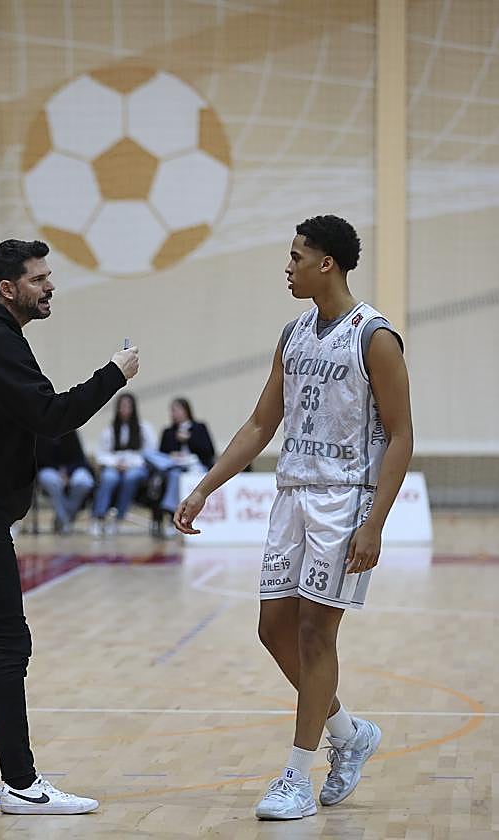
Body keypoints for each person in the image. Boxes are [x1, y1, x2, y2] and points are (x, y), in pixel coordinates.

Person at [175, 215, 412, 821]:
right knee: (272, 628)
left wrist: (375, 521)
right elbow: (261, 424)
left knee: (315, 633)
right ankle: (349, 732)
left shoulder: (375, 337)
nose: (288, 267)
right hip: (291, 497)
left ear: (326, 263)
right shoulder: (293, 334)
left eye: (296, 257)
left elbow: (403, 434)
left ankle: (296, 778)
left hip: (344, 498)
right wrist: (205, 488)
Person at [0, 239, 138, 815]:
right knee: (9, 640)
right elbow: (51, 417)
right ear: (9, 289)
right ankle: (22, 784)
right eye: (39, 279)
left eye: (48, 276)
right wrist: (113, 375)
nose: (49, 286)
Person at [144, 397, 217, 536]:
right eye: (172, 411)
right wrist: (174, 452)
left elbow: (209, 451)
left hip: (194, 464)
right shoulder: (168, 431)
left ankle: (172, 513)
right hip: (173, 465)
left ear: (186, 410)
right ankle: (167, 513)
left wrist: (189, 440)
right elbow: (162, 453)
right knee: (165, 471)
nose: (174, 414)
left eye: (176, 410)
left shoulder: (199, 427)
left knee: (178, 476)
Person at [88, 392, 155, 537]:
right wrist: (115, 463)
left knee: (131, 477)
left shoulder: (144, 428)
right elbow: (101, 455)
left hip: (136, 468)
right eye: (121, 406)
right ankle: (98, 517)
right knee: (109, 478)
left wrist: (130, 464)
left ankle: (117, 518)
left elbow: (150, 454)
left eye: (127, 406)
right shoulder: (110, 429)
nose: (124, 409)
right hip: (114, 466)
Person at [35, 430, 94, 534]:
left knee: (84, 482)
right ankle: (65, 521)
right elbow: (39, 459)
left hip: (71, 470)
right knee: (53, 482)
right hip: (48, 469)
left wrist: (67, 473)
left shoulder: (71, 431)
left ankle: (63, 518)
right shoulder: (41, 433)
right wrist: (59, 472)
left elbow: (80, 458)